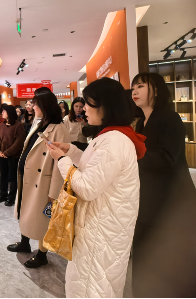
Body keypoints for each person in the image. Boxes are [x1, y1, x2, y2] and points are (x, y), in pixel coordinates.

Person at [46, 77, 145, 298]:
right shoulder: (113, 135)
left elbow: (87, 187)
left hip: (101, 233)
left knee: (91, 288)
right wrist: (71, 151)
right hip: (100, 229)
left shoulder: (114, 141)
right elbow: (95, 168)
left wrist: (61, 159)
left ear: (105, 106)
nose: (83, 109)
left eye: (89, 104)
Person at [131, 72, 196, 297]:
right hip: (148, 198)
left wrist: (132, 155)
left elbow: (167, 158)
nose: (134, 91)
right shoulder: (141, 122)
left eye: (140, 86)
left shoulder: (170, 119)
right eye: (133, 88)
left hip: (171, 200)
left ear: (156, 90)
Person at [7, 91, 71, 268]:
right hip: (28, 178)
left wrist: (54, 191)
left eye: (35, 104)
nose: (32, 107)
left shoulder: (59, 129)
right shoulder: (39, 124)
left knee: (42, 220)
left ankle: (42, 255)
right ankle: (24, 242)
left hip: (43, 182)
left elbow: (60, 162)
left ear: (44, 106)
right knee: (26, 212)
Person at [0, 104, 26, 206]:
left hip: (13, 156)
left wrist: (6, 153)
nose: (2, 113)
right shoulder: (2, 125)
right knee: (3, 175)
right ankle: (3, 194)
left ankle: (11, 197)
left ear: (9, 113)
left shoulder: (18, 126)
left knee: (13, 177)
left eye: (4, 111)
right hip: (2, 155)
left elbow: (19, 143)